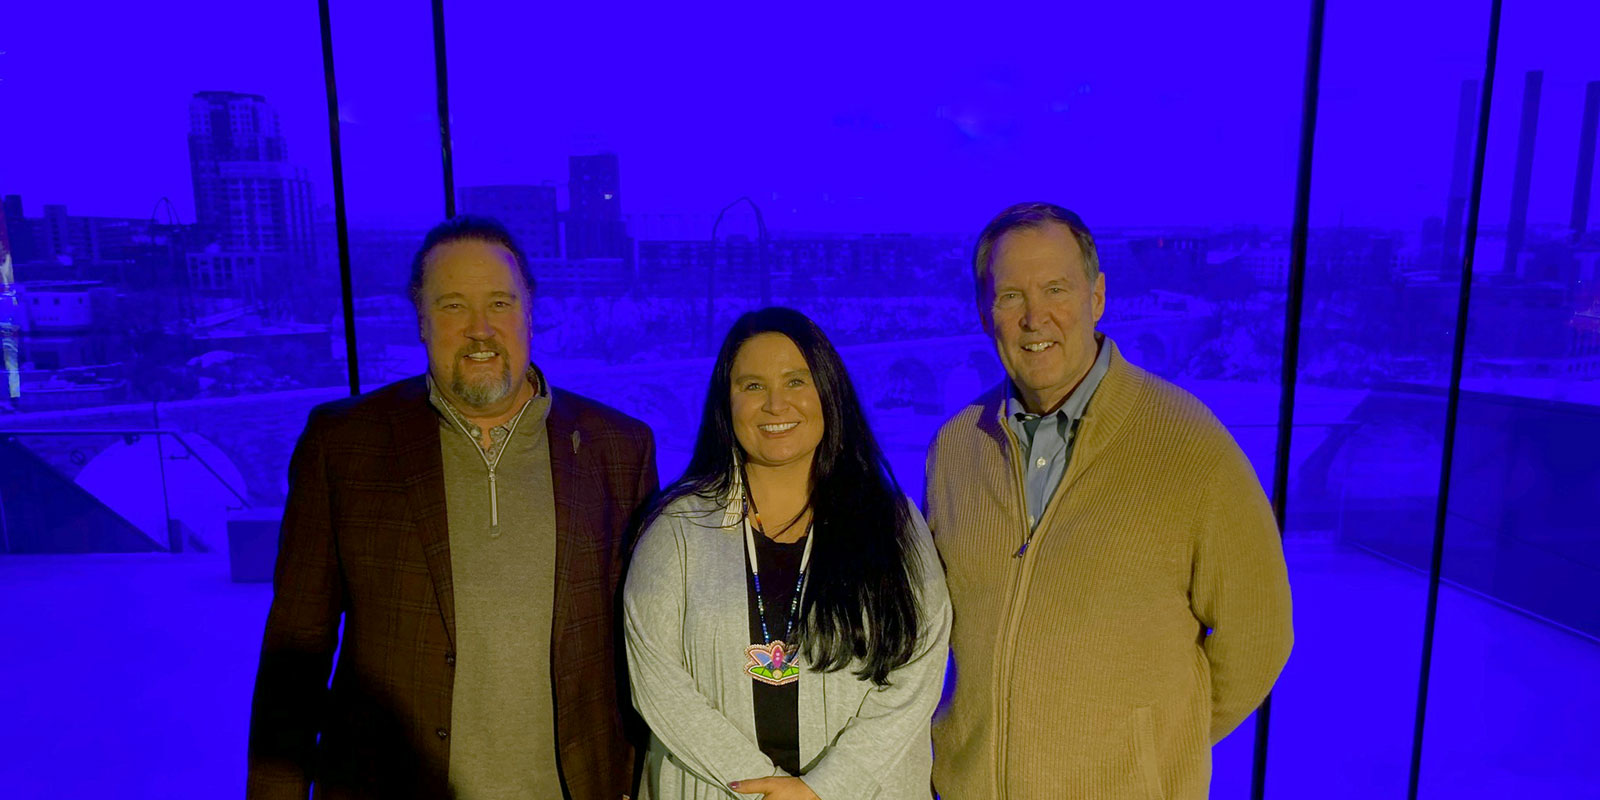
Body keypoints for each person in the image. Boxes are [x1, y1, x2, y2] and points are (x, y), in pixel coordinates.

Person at [247, 216, 657, 799]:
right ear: (420, 320)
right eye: (452, 306)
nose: (480, 329)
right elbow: (297, 647)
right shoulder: (344, 444)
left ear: (529, 312)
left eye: (499, 302)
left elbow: (648, 645)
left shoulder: (619, 448)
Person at [925, 202, 1294, 799]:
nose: (1034, 316)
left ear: (1097, 297)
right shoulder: (957, 448)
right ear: (983, 311)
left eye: (1055, 289)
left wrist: (1148, 752)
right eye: (1010, 295)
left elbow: (1258, 638)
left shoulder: (1189, 444)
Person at [623, 307, 950, 800]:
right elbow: (657, 682)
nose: (776, 404)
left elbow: (918, 669)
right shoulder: (677, 529)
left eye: (796, 381)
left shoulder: (891, 521)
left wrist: (827, 788)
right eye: (752, 386)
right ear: (725, 404)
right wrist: (762, 787)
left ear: (828, 392)